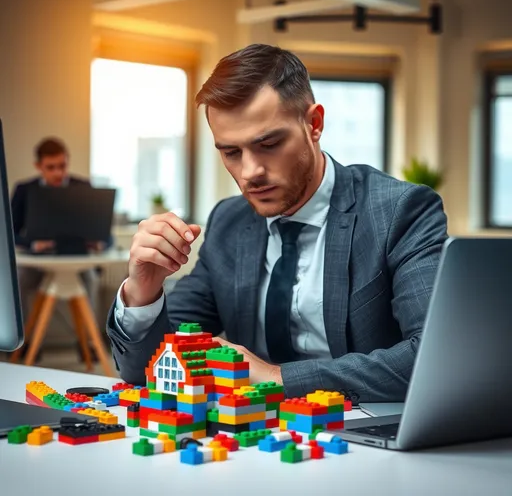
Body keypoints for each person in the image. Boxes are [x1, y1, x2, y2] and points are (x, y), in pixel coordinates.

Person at [106, 44, 448, 402]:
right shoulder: (229, 221)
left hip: (366, 433)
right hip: (251, 439)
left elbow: (434, 357)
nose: (250, 172)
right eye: (231, 152)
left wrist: (275, 377)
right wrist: (142, 290)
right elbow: (147, 371)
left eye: (268, 143)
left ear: (314, 124)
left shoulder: (399, 211)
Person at [11, 137, 102, 325]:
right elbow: (11, 234)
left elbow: (101, 229)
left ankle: (89, 344)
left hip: (75, 262)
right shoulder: (24, 190)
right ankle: (24, 344)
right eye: (50, 167)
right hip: (37, 262)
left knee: (91, 279)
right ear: (38, 166)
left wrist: (98, 242)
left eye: (62, 166)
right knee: (17, 280)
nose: (58, 173)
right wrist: (33, 244)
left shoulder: (83, 188)